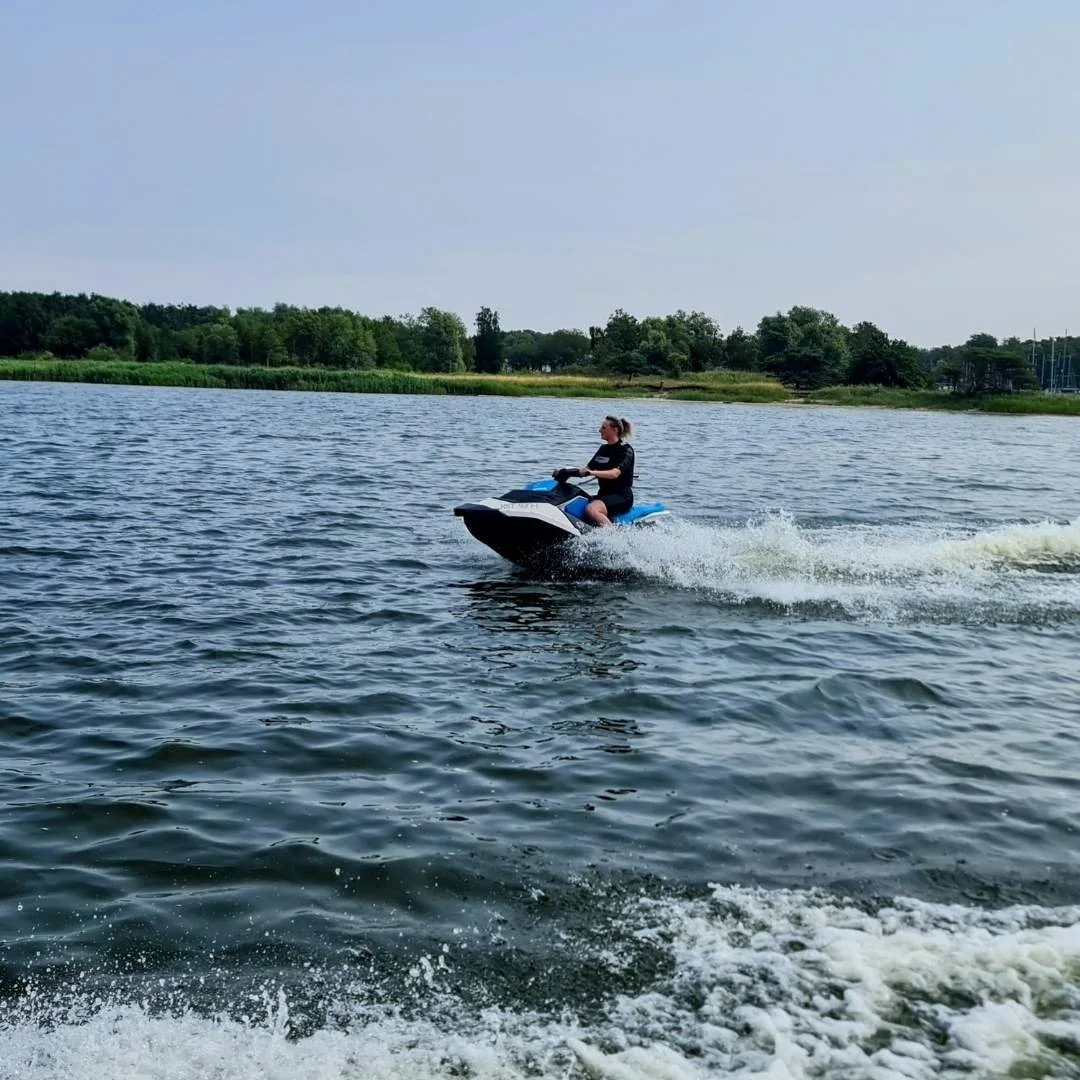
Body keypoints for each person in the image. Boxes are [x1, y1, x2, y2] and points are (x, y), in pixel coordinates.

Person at [555, 415, 635, 526]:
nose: (599, 430)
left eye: (603, 428)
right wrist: (565, 472)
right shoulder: (603, 449)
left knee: (592, 509)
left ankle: (613, 538)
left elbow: (614, 473)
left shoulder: (625, 450)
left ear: (614, 430)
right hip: (603, 495)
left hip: (621, 496)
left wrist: (593, 473)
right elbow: (587, 469)